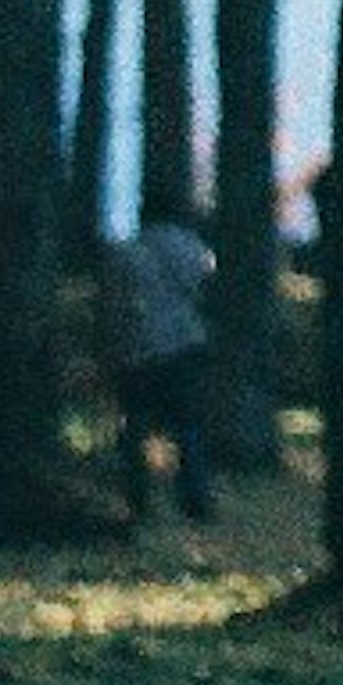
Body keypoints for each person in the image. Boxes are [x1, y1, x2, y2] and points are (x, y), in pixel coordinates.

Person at [101, 193, 219, 527]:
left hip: (140, 351)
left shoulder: (128, 251)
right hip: (185, 345)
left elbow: (116, 306)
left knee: (133, 428)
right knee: (189, 428)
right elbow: (205, 286)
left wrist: (110, 350)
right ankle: (195, 498)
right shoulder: (191, 247)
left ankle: (137, 497)